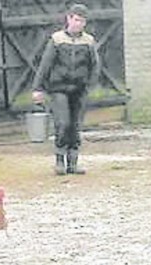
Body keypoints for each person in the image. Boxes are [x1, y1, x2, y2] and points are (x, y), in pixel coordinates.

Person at [32, 3, 99, 175]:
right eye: (76, 20)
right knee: (63, 124)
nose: (78, 24)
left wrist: (90, 84)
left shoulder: (88, 41)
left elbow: (95, 65)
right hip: (58, 88)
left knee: (75, 127)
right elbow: (45, 65)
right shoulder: (57, 40)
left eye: (82, 21)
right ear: (69, 19)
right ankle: (59, 160)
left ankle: (73, 162)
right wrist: (37, 88)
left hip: (79, 89)